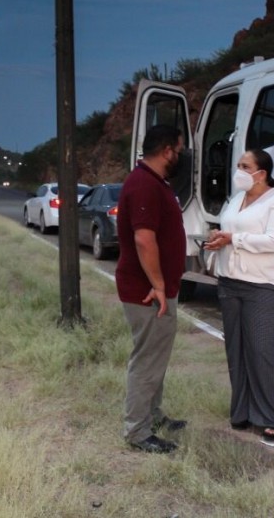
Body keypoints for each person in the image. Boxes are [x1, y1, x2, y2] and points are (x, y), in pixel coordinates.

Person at [203, 148, 274, 444]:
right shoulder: (235, 199)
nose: (239, 170)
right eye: (238, 165)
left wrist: (234, 238)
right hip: (230, 282)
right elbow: (230, 230)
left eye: (245, 166)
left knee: (261, 348)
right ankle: (243, 411)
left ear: (261, 173)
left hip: (264, 284)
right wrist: (219, 236)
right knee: (237, 349)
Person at [115, 124, 188, 454]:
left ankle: (152, 415)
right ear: (168, 150)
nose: (182, 154)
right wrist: (158, 285)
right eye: (180, 148)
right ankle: (138, 431)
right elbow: (144, 239)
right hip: (148, 293)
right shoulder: (144, 184)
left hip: (158, 290)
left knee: (155, 358)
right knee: (147, 361)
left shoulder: (155, 182)